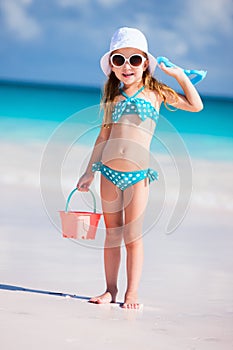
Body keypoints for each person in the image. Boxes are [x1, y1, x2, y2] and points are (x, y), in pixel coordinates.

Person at [77, 27, 203, 309]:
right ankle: (110, 289)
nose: (126, 66)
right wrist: (89, 171)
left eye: (134, 60)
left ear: (145, 63)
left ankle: (131, 293)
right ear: (111, 66)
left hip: (137, 176)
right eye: (118, 60)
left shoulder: (156, 93)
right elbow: (103, 136)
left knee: (132, 236)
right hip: (108, 172)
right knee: (111, 236)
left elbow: (196, 106)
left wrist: (179, 76)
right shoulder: (112, 95)